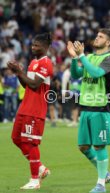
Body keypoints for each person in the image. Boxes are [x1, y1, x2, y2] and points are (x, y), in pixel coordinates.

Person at [67, 28, 110, 193]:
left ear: (108, 42)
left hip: (101, 108)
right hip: (86, 108)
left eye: (101, 37)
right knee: (83, 146)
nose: (97, 38)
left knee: (99, 146)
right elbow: (75, 74)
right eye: (96, 35)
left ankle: (101, 185)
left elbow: (96, 74)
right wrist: (75, 58)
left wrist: (81, 56)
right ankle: (106, 174)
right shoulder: (89, 57)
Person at [7, 33, 53, 189]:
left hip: (35, 109)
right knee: (15, 138)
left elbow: (35, 85)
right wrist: (18, 72)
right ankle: (40, 168)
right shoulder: (33, 62)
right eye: (33, 45)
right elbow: (26, 85)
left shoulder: (46, 63)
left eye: (37, 45)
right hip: (25, 106)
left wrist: (19, 72)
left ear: (45, 47)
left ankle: (34, 180)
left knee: (30, 143)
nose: (33, 47)